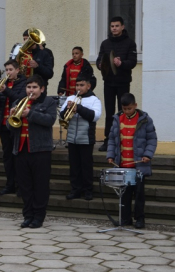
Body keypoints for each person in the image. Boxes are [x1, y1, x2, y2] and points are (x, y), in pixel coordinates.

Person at [7, 75, 57, 228]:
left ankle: (38, 216)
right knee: (25, 186)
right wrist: (11, 116)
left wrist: (30, 114)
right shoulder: (18, 102)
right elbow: (10, 127)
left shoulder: (48, 102)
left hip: (41, 150)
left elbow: (49, 120)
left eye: (34, 87)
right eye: (29, 87)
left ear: (41, 89)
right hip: (21, 149)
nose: (31, 90)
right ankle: (27, 215)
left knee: (40, 185)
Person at [106, 93, 157, 229]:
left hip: (139, 165)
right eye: (124, 109)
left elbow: (152, 139)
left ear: (135, 105)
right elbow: (112, 139)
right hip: (122, 164)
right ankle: (125, 218)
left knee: (139, 194)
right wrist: (110, 155)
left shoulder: (145, 120)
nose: (127, 111)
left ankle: (140, 219)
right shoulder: (117, 119)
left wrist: (148, 155)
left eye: (129, 108)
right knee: (124, 194)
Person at [96, 17, 137, 152]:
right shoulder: (105, 43)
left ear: (122, 27)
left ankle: (122, 139)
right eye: (112, 26)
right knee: (109, 111)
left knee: (122, 111)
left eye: (117, 26)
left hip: (123, 82)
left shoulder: (130, 43)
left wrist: (122, 64)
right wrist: (100, 64)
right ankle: (108, 140)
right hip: (108, 82)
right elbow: (99, 59)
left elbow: (133, 62)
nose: (114, 28)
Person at [59, 76, 101, 201]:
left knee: (86, 166)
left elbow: (94, 116)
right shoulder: (71, 98)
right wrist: (68, 107)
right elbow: (62, 115)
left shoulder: (94, 100)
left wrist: (79, 108)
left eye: (81, 85)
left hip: (86, 138)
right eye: (77, 85)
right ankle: (75, 190)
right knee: (74, 166)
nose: (78, 88)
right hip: (72, 138)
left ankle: (88, 190)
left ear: (88, 86)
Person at [0, 60, 27, 196]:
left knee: (18, 157)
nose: (8, 72)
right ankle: (10, 185)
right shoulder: (3, 84)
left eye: (11, 69)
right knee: (7, 157)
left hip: (17, 126)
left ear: (17, 70)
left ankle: (21, 186)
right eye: (6, 70)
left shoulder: (24, 83)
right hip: (4, 125)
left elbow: (20, 100)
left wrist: (7, 91)